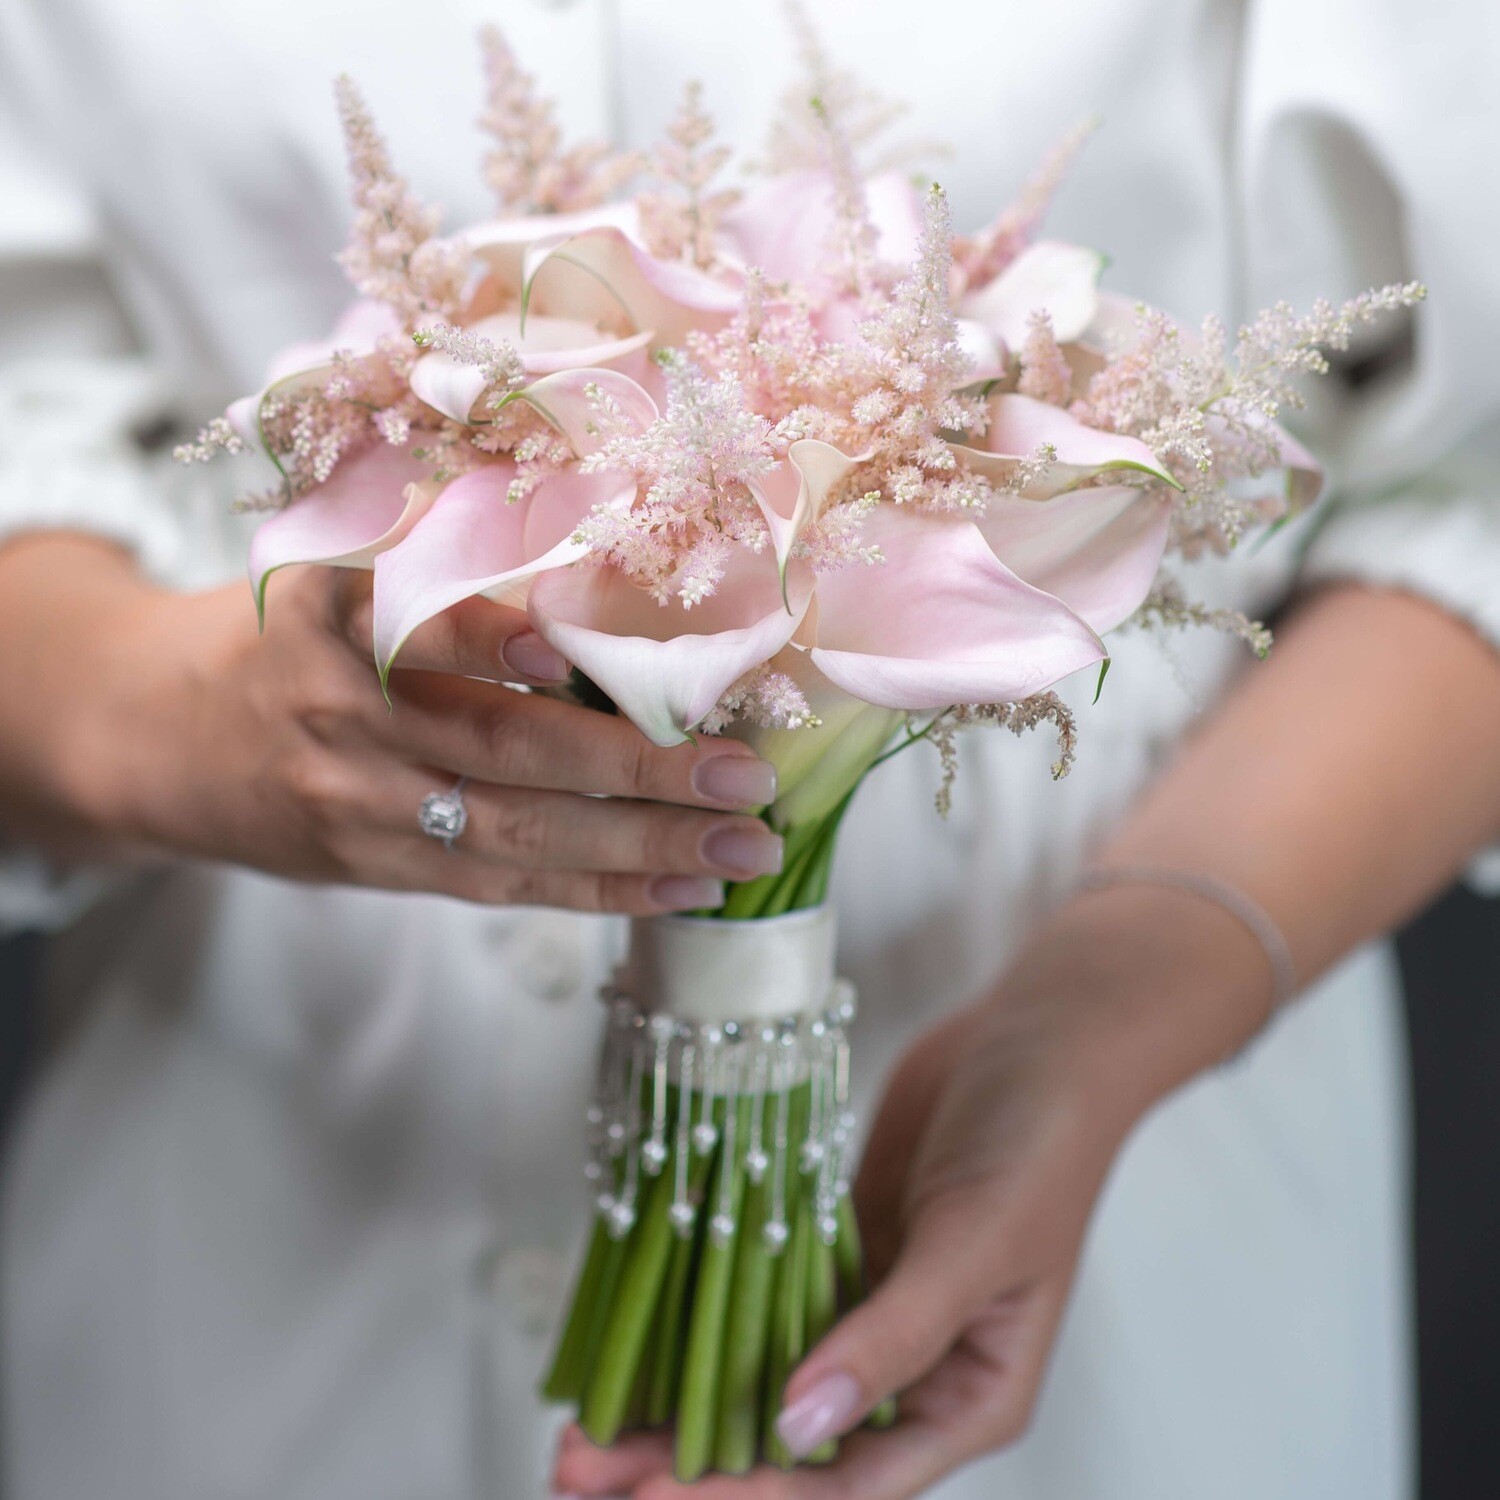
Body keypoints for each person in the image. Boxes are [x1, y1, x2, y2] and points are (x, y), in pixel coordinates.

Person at [1, 2, 1498, 1497]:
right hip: (241, 1182)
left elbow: (1470, 494)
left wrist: (1112, 1012)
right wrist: (171, 718)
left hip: (1122, 1139)